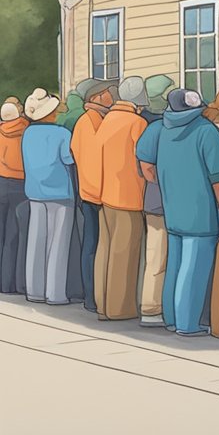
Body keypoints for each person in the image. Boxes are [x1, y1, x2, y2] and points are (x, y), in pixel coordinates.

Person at [136, 89, 219, 337]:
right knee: (194, 267)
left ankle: (171, 317)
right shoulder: (206, 131)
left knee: (175, 264)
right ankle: (188, 323)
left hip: (173, 208)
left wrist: (167, 187)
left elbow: (148, 167)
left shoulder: (161, 130)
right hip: (201, 211)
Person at [92, 78, 149, 321]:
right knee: (124, 254)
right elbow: (145, 163)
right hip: (129, 196)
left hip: (106, 195)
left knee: (105, 249)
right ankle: (119, 308)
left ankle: (102, 304)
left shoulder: (107, 121)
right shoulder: (138, 123)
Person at [22, 89, 76, 305]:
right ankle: (55, 293)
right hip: (60, 192)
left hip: (35, 191)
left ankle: (34, 290)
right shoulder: (62, 134)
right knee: (58, 244)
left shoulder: (27, 133)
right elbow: (69, 160)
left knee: (36, 241)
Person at [71, 77, 116, 313]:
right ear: (96, 97)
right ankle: (92, 296)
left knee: (94, 244)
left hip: (91, 191)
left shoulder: (89, 121)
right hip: (95, 193)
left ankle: (95, 296)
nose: (113, 93)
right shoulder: (91, 122)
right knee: (93, 245)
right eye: (108, 91)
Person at [138, 75, 174, 326]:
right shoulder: (157, 129)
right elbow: (147, 169)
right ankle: (152, 308)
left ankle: (159, 307)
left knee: (158, 255)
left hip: (159, 202)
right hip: (161, 203)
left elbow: (146, 168)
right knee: (159, 255)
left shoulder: (152, 129)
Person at [0, 98, 29, 294]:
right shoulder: (26, 129)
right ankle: (9, 283)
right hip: (20, 184)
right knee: (14, 236)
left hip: (1, 181)